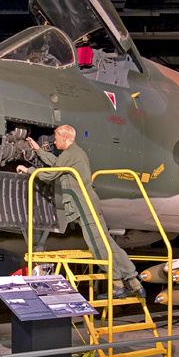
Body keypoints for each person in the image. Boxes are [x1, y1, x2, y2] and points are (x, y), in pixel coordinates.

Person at [18, 125, 145, 298]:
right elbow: (57, 164)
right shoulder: (74, 154)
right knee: (109, 244)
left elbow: (49, 175)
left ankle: (117, 284)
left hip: (85, 206)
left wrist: (28, 171)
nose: (54, 141)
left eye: (56, 138)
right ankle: (134, 282)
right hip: (88, 204)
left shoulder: (70, 154)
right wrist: (38, 150)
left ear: (65, 138)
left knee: (98, 246)